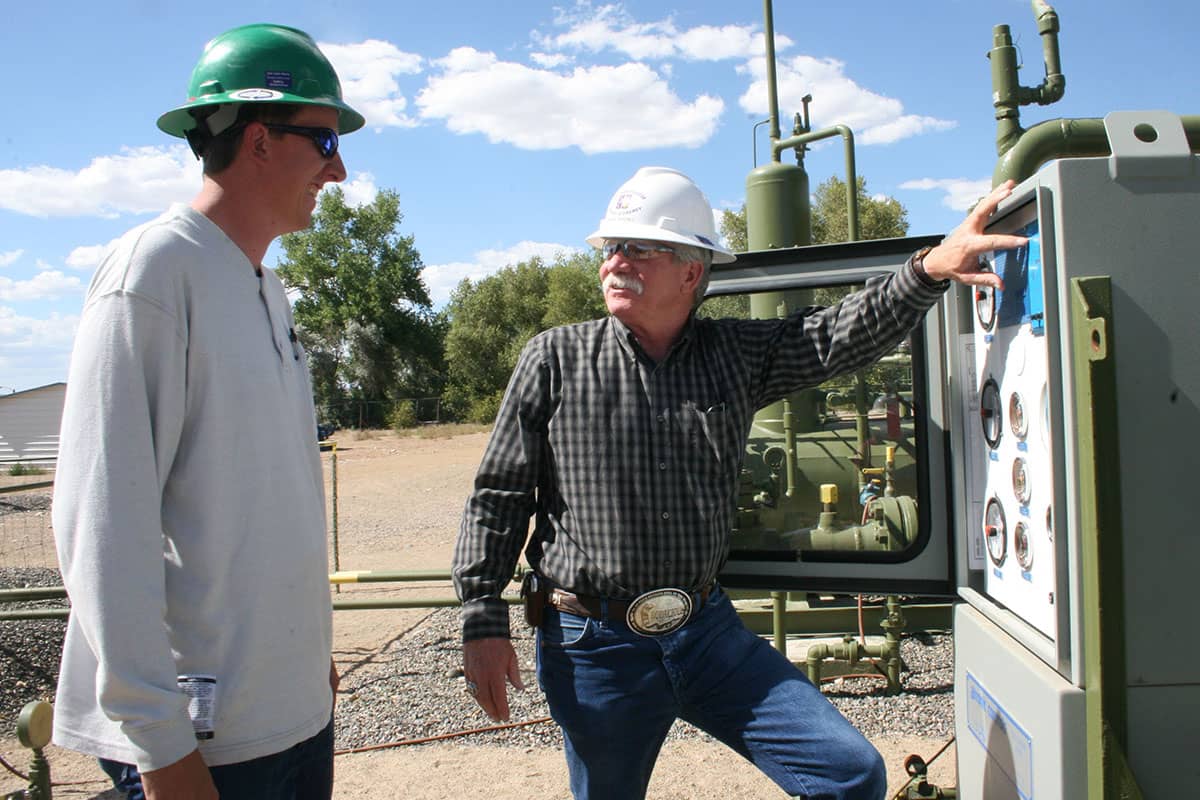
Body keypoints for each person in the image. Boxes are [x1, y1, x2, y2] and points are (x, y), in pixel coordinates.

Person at [452, 166, 1025, 799]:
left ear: (692, 272)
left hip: (704, 633)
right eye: (611, 248)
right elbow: (499, 496)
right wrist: (483, 618)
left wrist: (928, 268)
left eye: (640, 248)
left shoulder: (734, 355)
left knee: (850, 773)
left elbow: (835, 336)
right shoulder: (554, 359)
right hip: (594, 645)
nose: (617, 262)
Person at [51, 24, 364, 800]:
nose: (340, 168)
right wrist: (160, 747)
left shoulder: (266, 287)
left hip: (288, 714)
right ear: (258, 140)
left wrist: (303, 659)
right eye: (323, 141)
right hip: (204, 746)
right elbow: (101, 524)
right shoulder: (153, 275)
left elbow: (264, 496)